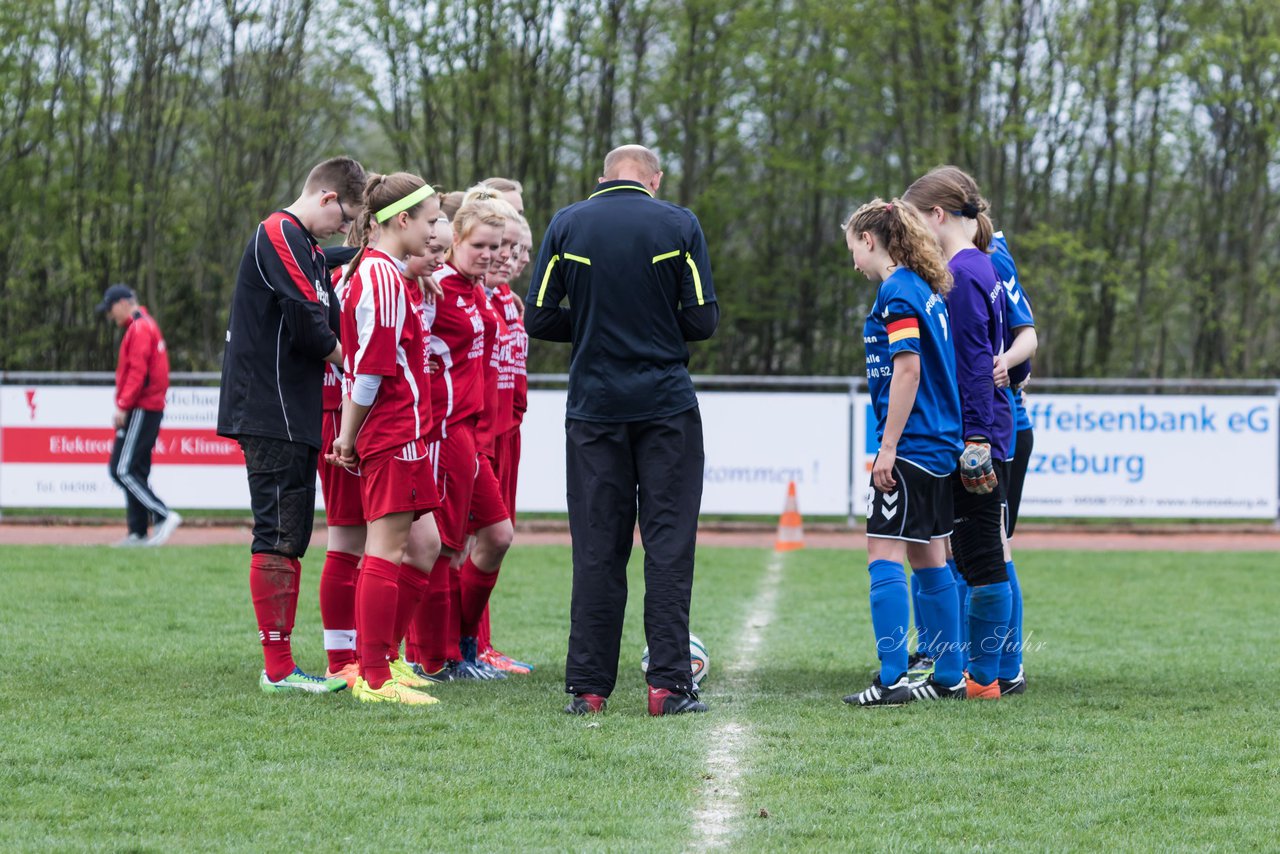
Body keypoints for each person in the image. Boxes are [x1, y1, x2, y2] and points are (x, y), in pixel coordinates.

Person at [526, 144, 719, 716]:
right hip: (665, 406)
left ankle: (587, 690)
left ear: (602, 178)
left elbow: (539, 314)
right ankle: (668, 688)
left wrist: (589, 323)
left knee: (596, 550)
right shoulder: (679, 223)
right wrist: (657, 327)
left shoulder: (567, 223)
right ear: (654, 179)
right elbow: (703, 320)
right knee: (667, 547)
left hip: (594, 408)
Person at [217, 155, 365, 695]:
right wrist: (360, 365)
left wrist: (373, 253)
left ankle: (281, 665)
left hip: (289, 408)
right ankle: (277, 669)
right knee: (280, 528)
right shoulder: (279, 231)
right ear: (327, 198)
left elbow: (326, 263)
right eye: (346, 217)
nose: (343, 230)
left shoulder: (305, 245)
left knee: (294, 528)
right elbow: (307, 321)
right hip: (269, 407)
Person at [839, 200, 965, 706]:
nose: (854, 262)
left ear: (870, 240)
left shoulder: (896, 292)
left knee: (882, 554)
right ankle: (949, 675)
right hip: (939, 443)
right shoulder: (924, 288)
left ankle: (891, 678)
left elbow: (907, 370)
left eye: (853, 249)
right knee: (929, 555)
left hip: (912, 444)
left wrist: (886, 448)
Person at [330, 171, 444, 705]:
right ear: (402, 219)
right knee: (387, 548)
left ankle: (385, 661)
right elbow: (370, 371)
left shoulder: (384, 274)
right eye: (431, 220)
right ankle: (374, 677)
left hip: (404, 429)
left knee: (424, 545)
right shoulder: (380, 278)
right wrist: (348, 438)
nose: (437, 232)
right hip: (392, 430)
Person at [904, 165, 1013, 700]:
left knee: (980, 556)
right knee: (972, 555)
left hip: (978, 436)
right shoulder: (977, 265)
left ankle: (984, 678)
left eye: (915, 222)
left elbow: (974, 362)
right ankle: (979, 673)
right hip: (985, 427)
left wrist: (976, 442)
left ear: (938, 215)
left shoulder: (966, 273)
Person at [98, 283, 180, 547]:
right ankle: (137, 532)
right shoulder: (144, 326)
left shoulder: (140, 328)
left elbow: (138, 372)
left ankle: (161, 514)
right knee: (137, 469)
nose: (111, 316)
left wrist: (123, 404)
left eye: (111, 309)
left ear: (123, 302)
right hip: (148, 406)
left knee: (121, 469)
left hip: (142, 406)